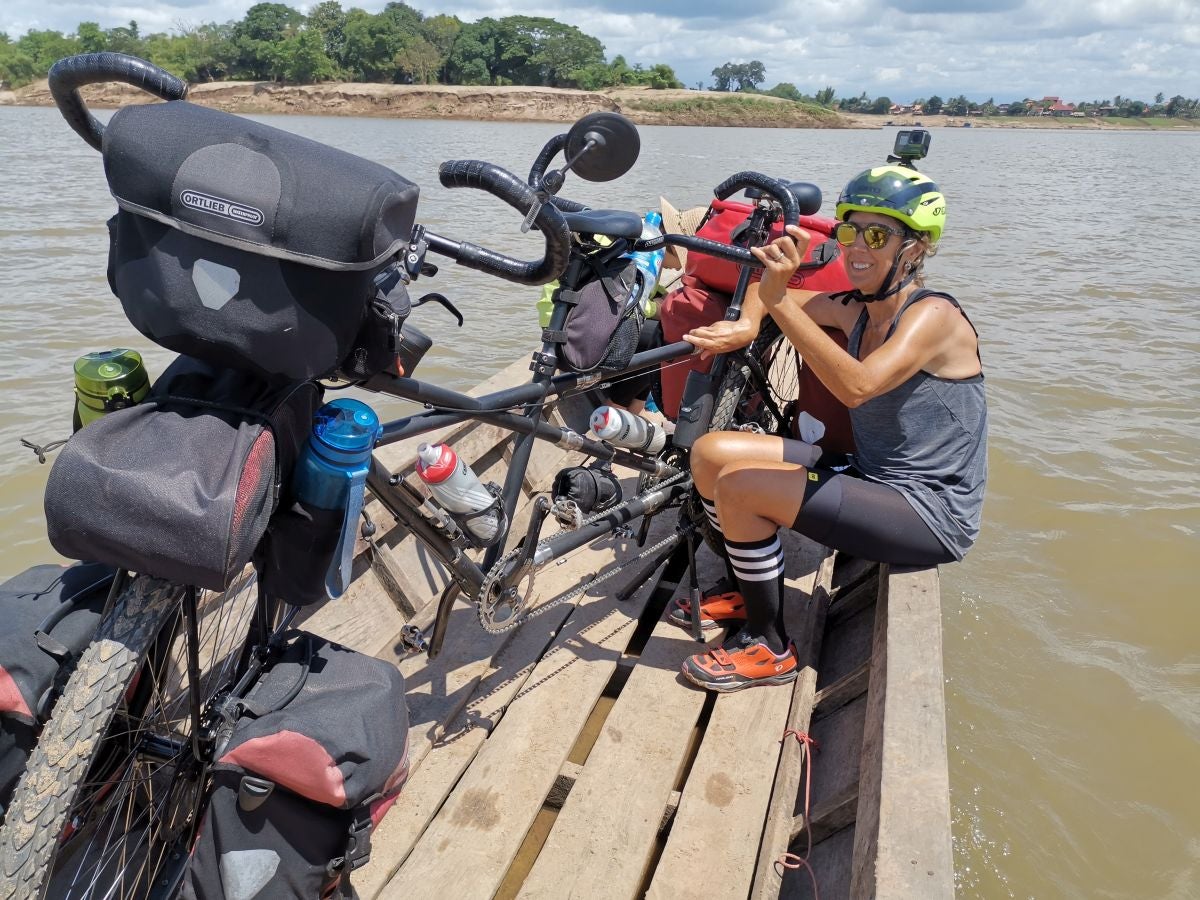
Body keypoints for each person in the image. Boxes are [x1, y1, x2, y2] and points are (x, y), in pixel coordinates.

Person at [672, 164, 988, 692]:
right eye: (849, 231)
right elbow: (777, 291)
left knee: (741, 486)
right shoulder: (855, 309)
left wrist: (774, 302)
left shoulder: (933, 317)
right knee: (710, 453)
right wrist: (753, 320)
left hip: (928, 511)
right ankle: (743, 584)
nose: (857, 247)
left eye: (877, 235)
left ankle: (768, 644)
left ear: (914, 249)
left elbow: (858, 387)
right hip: (868, 475)